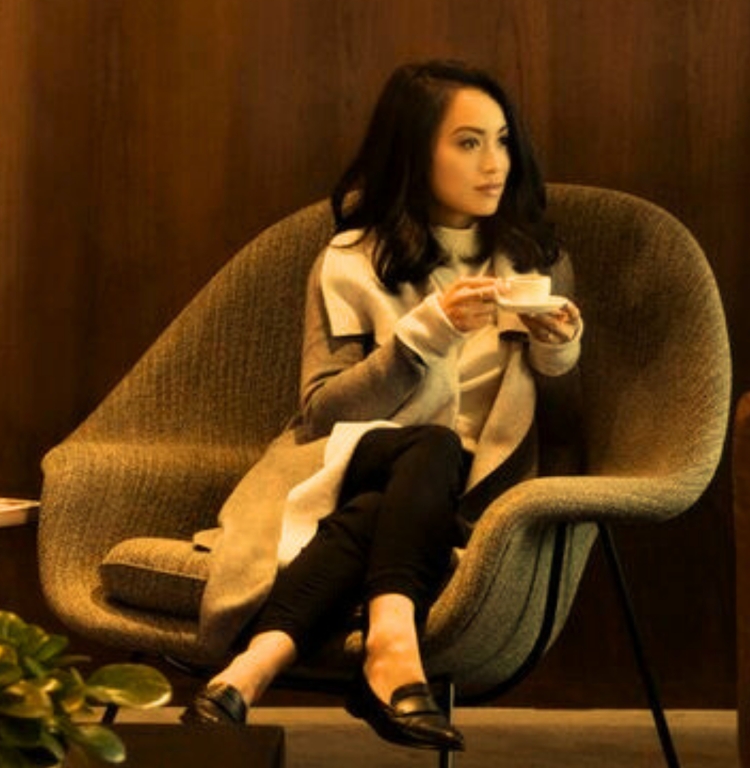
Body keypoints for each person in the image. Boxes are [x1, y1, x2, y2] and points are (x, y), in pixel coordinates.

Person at [178, 60, 583, 753]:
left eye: (503, 141)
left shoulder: (534, 261)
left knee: (397, 498)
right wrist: (425, 335)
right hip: (354, 464)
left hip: (473, 489)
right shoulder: (352, 260)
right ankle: (392, 645)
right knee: (429, 446)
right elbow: (321, 412)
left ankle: (248, 670)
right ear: (414, 151)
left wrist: (559, 352)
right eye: (468, 143)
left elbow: (566, 425)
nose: (495, 164)